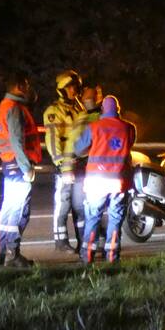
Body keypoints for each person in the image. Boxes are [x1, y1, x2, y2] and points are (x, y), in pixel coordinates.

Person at [72, 95, 136, 264]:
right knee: (115, 218)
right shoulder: (129, 128)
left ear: (102, 110)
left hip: (96, 181)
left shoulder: (94, 127)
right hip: (117, 181)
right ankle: (112, 257)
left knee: (93, 217)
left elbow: (78, 150)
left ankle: (87, 256)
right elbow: (129, 146)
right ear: (118, 110)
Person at [0, 72, 43, 267]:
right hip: (19, 166)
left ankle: (2, 254)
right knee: (19, 211)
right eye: (27, 85)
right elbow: (17, 140)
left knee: (9, 209)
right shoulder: (14, 108)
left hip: (10, 165)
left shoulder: (4, 106)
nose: (29, 89)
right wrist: (26, 168)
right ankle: (13, 254)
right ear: (19, 86)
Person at [43, 69, 84, 251]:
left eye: (75, 86)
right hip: (65, 165)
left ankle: (84, 240)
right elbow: (52, 139)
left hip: (80, 162)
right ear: (61, 89)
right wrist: (60, 163)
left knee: (80, 204)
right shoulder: (54, 111)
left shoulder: (78, 108)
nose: (74, 90)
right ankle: (61, 241)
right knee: (63, 203)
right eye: (70, 87)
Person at [68, 85, 104, 251]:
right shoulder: (91, 117)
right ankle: (89, 242)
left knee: (85, 208)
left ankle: (88, 243)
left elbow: (76, 146)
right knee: (86, 208)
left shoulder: (89, 117)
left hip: (87, 166)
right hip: (88, 166)